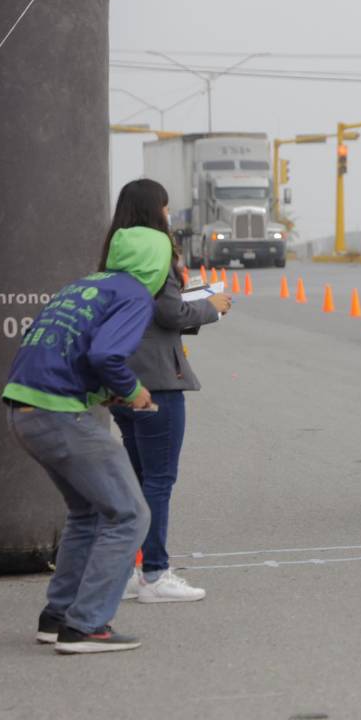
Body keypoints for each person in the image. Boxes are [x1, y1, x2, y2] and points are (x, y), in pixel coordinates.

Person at [3, 226, 171, 654]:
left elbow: (69, 351)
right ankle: (88, 625)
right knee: (131, 514)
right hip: (59, 413)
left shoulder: (85, 286)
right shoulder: (134, 294)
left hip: (24, 409)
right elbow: (105, 355)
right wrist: (133, 391)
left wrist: (103, 392)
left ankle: (57, 617)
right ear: (156, 262)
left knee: (87, 513)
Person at [101, 179, 231, 604]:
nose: (169, 215)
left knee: (138, 480)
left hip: (121, 374)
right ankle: (156, 574)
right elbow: (170, 311)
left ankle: (129, 573)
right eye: (166, 208)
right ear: (156, 210)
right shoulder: (160, 252)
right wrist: (212, 307)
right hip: (159, 379)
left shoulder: (115, 252)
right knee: (159, 481)